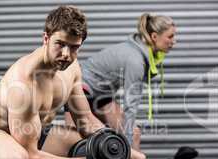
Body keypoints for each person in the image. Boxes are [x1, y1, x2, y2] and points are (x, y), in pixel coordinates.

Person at [0, 6, 145, 159]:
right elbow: (30, 158)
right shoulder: (25, 81)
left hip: (33, 135)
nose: (66, 54)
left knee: (106, 150)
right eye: (60, 44)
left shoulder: (72, 68)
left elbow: (85, 121)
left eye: (74, 47)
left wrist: (124, 151)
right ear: (46, 39)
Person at [65, 13, 176, 150]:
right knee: (75, 142)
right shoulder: (136, 61)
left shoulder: (141, 52)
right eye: (170, 36)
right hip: (80, 89)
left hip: (100, 93)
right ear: (154, 36)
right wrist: (128, 151)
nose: (174, 41)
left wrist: (128, 146)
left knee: (132, 134)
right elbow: (131, 106)